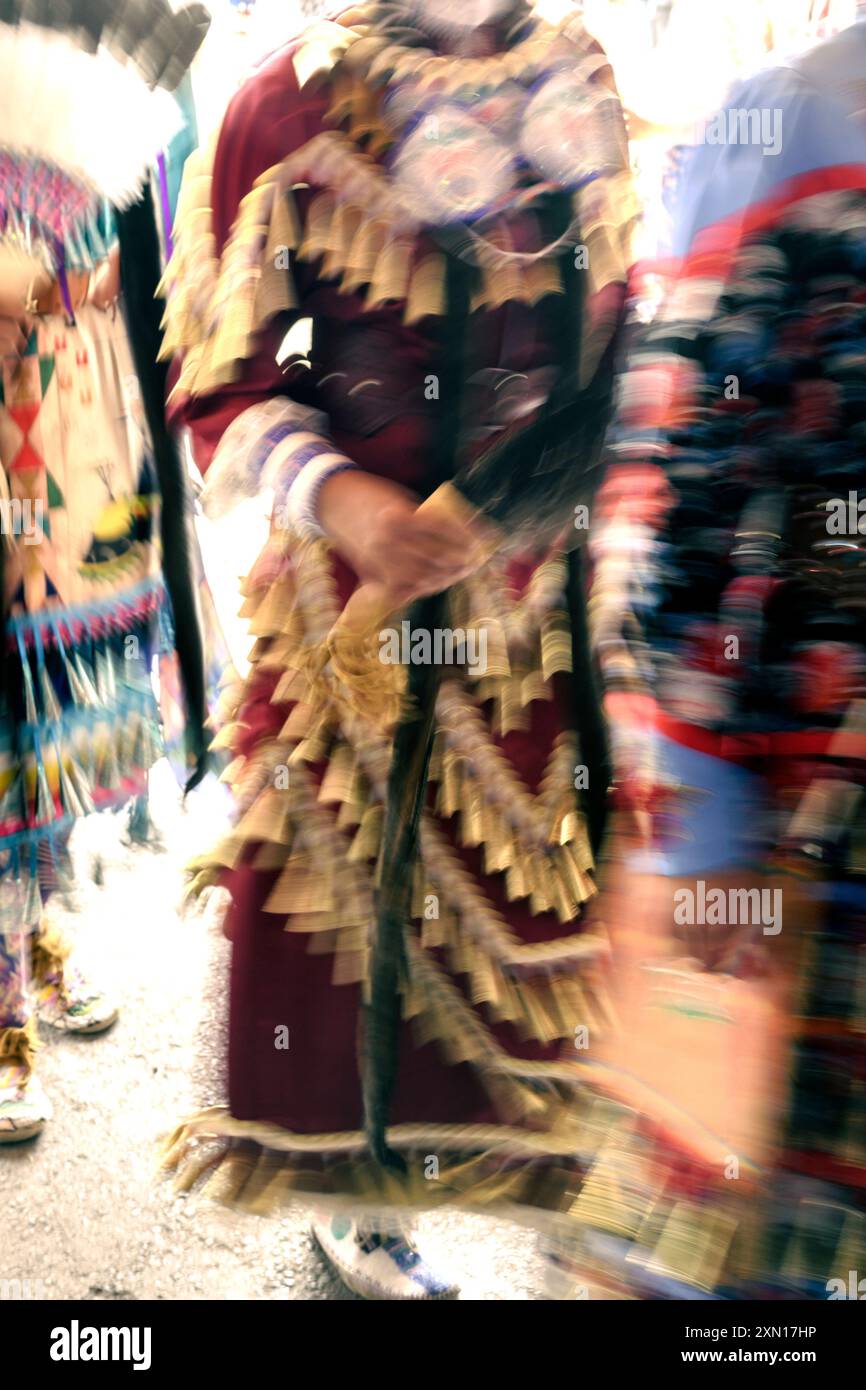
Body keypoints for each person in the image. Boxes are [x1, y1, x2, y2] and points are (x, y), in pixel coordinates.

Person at [160, 0, 635, 1299]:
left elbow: (623, 335)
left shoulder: (578, 70)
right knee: (365, 920)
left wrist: (550, 500)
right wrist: (343, 501)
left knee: (560, 909)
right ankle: (371, 1195)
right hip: (356, 630)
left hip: (543, 608)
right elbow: (219, 381)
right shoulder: (283, 103)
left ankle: (577, 1185)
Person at [584, 17, 866, 1297]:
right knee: (725, 1235)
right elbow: (675, 486)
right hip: (776, 823)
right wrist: (696, 830)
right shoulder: (787, 128)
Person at [0, 1, 210, 1143]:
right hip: (19, 501)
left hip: (74, 494)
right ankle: (2, 1014)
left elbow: (91, 318)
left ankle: (34, 936)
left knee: (36, 762)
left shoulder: (74, 140)